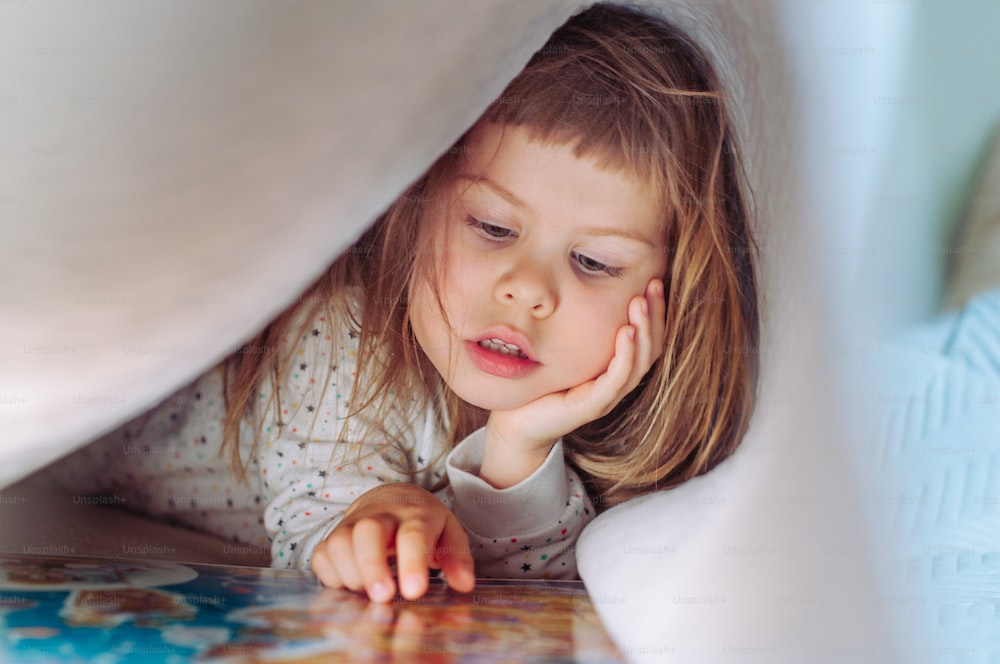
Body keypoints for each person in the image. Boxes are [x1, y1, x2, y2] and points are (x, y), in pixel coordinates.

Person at [40, 3, 760, 604]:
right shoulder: (345, 337)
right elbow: (315, 520)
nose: (527, 288)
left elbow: (536, 582)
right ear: (420, 213)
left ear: (671, 294)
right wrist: (376, 518)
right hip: (57, 405)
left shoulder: (598, 418)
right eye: (493, 228)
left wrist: (519, 446)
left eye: (593, 262)